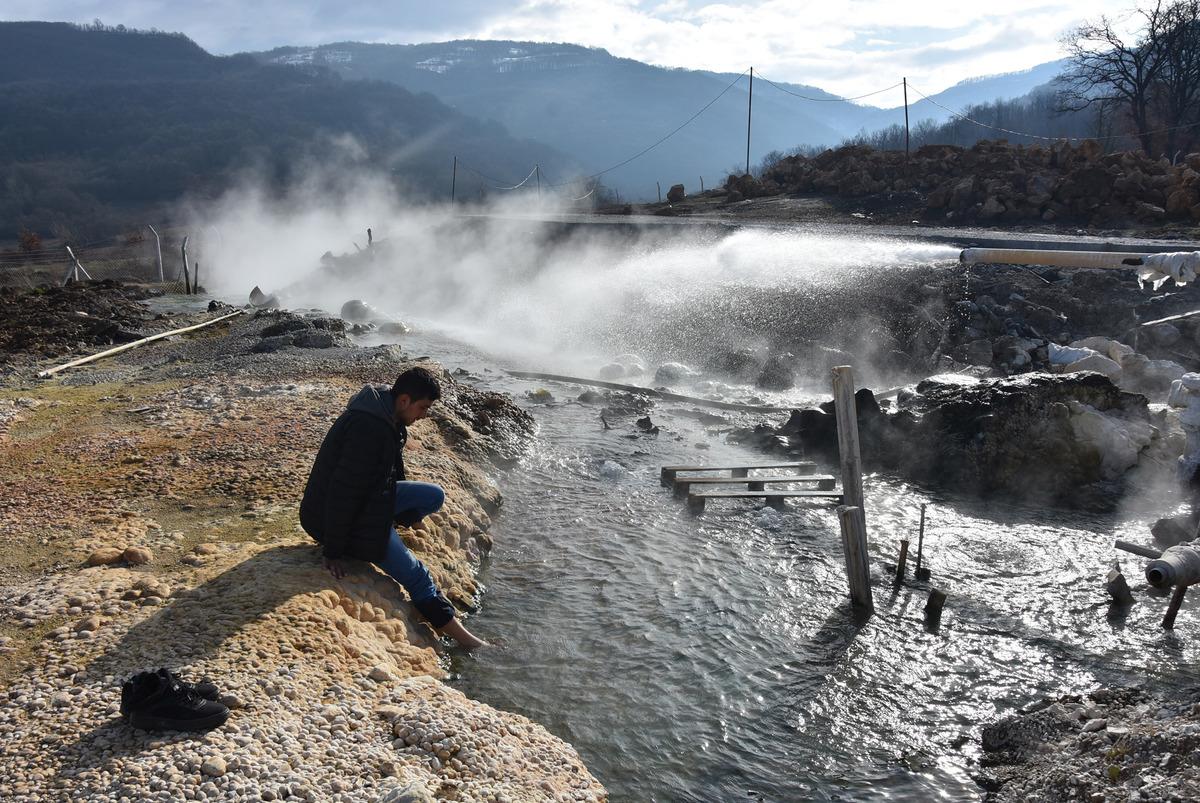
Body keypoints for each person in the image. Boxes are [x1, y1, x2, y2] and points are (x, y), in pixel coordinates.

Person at [300, 366, 486, 649]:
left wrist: (390, 504)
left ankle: (385, 529)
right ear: (404, 400)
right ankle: (470, 643)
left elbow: (390, 472)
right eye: (423, 407)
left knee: (433, 496)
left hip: (373, 500)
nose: (424, 415)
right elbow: (342, 492)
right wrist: (333, 550)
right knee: (418, 577)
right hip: (340, 516)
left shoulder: (387, 412)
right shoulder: (368, 430)